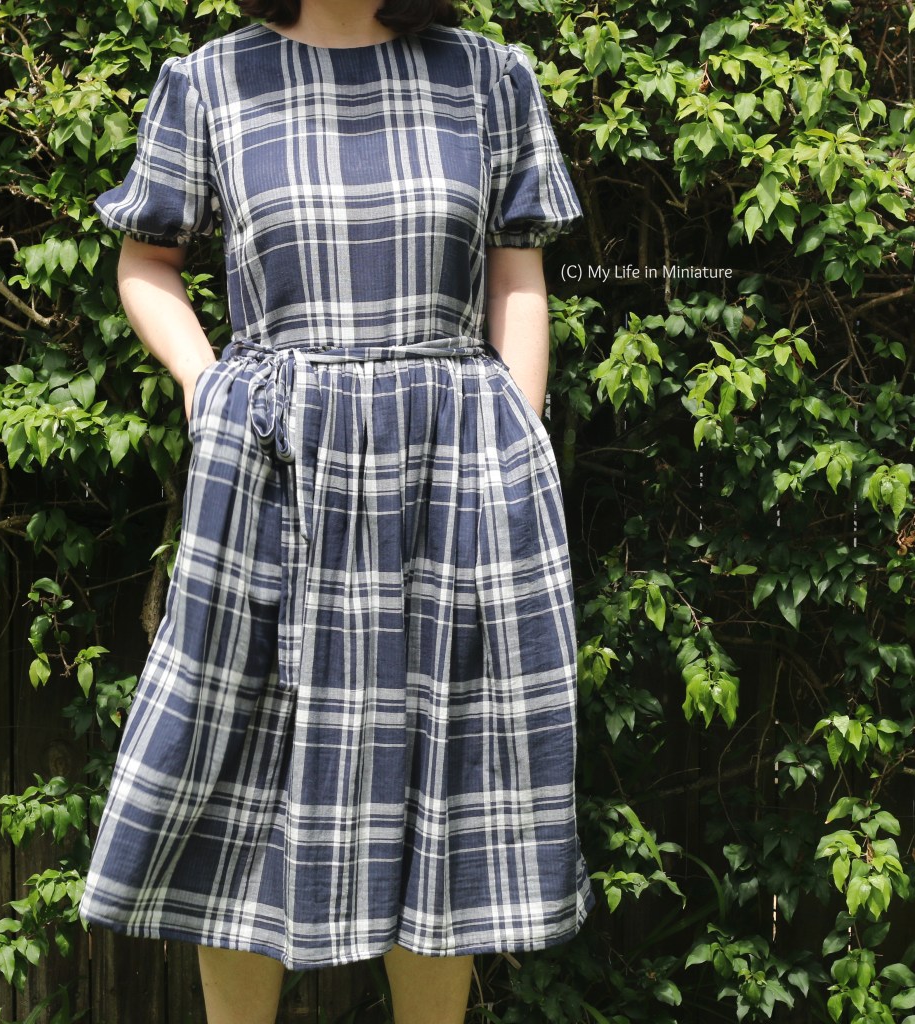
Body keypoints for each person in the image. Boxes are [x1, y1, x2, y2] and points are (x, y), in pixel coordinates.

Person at [78, 0, 594, 1020]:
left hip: (452, 480)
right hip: (275, 477)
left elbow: (517, 273)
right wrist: (206, 386)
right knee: (240, 762)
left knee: (443, 772)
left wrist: (514, 443)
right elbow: (147, 262)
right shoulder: (211, 80)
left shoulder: (488, 76)